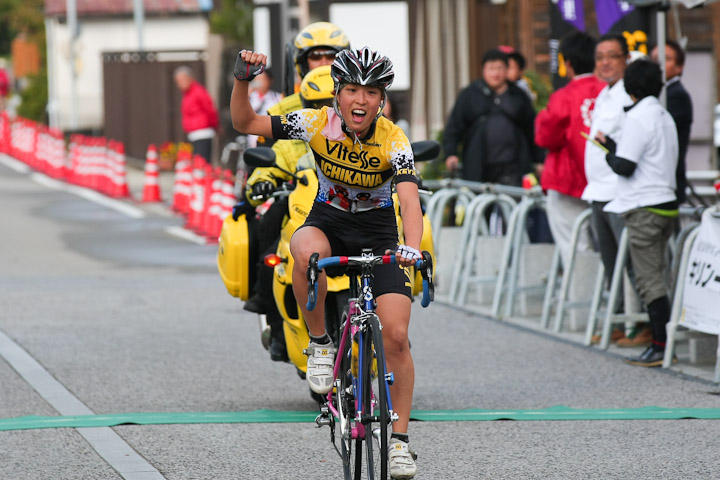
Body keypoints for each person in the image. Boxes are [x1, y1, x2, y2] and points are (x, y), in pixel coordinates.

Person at [231, 47, 422, 478]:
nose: (360, 101)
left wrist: (411, 246)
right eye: (352, 90)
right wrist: (242, 80)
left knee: (396, 337)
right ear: (337, 94)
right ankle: (319, 344)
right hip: (327, 221)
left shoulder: (395, 139)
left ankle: (400, 442)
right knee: (306, 254)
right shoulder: (315, 122)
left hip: (377, 231)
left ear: (382, 99)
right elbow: (245, 123)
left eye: (371, 92)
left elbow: (409, 200)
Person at [242, 66, 336, 362]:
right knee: (272, 250)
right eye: (314, 106)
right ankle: (277, 326)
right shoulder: (293, 133)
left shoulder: (363, 129)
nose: (322, 111)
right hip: (301, 204)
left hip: (351, 214)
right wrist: (261, 182)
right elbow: (268, 162)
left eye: (328, 105)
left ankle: (392, 336)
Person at [595, 59, 678, 367]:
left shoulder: (638, 117)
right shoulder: (663, 115)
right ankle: (664, 343)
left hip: (644, 206)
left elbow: (625, 166)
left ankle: (659, 345)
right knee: (662, 275)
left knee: (648, 279)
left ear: (629, 87)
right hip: (666, 203)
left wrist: (605, 150)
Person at [535, 31, 605, 267]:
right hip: (609, 181)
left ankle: (583, 300)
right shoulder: (610, 91)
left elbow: (546, 137)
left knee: (576, 248)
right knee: (612, 247)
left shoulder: (563, 97)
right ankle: (615, 300)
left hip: (568, 181)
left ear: (568, 63)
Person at [582, 34, 634, 345]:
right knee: (610, 261)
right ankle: (619, 317)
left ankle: (637, 324)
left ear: (626, 58)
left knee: (629, 261)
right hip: (598, 189)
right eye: (600, 56)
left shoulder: (630, 94)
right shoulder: (604, 93)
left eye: (612, 55)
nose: (605, 62)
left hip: (619, 190)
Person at [443, 48, 540, 186]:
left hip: (514, 167)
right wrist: (450, 154)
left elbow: (531, 128)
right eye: (491, 68)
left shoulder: (518, 95)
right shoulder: (470, 94)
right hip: (478, 168)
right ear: (483, 70)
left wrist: (539, 159)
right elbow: (454, 127)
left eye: (500, 68)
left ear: (507, 70)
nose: (495, 73)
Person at [651, 40, 693, 205]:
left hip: (667, 183)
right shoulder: (661, 93)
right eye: (654, 58)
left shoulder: (676, 95)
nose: (658, 63)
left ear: (679, 66)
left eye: (665, 58)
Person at [174, 66, 219, 164]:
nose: (180, 84)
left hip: (202, 133)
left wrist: (215, 125)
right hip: (193, 134)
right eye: (178, 81)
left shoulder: (198, 91)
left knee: (202, 165)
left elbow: (210, 110)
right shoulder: (187, 94)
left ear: (190, 78)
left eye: (182, 80)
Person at [247, 68, 282, 147]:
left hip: (271, 138)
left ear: (269, 81)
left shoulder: (277, 97)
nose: (259, 82)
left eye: (262, 79)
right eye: (257, 79)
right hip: (254, 139)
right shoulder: (251, 97)